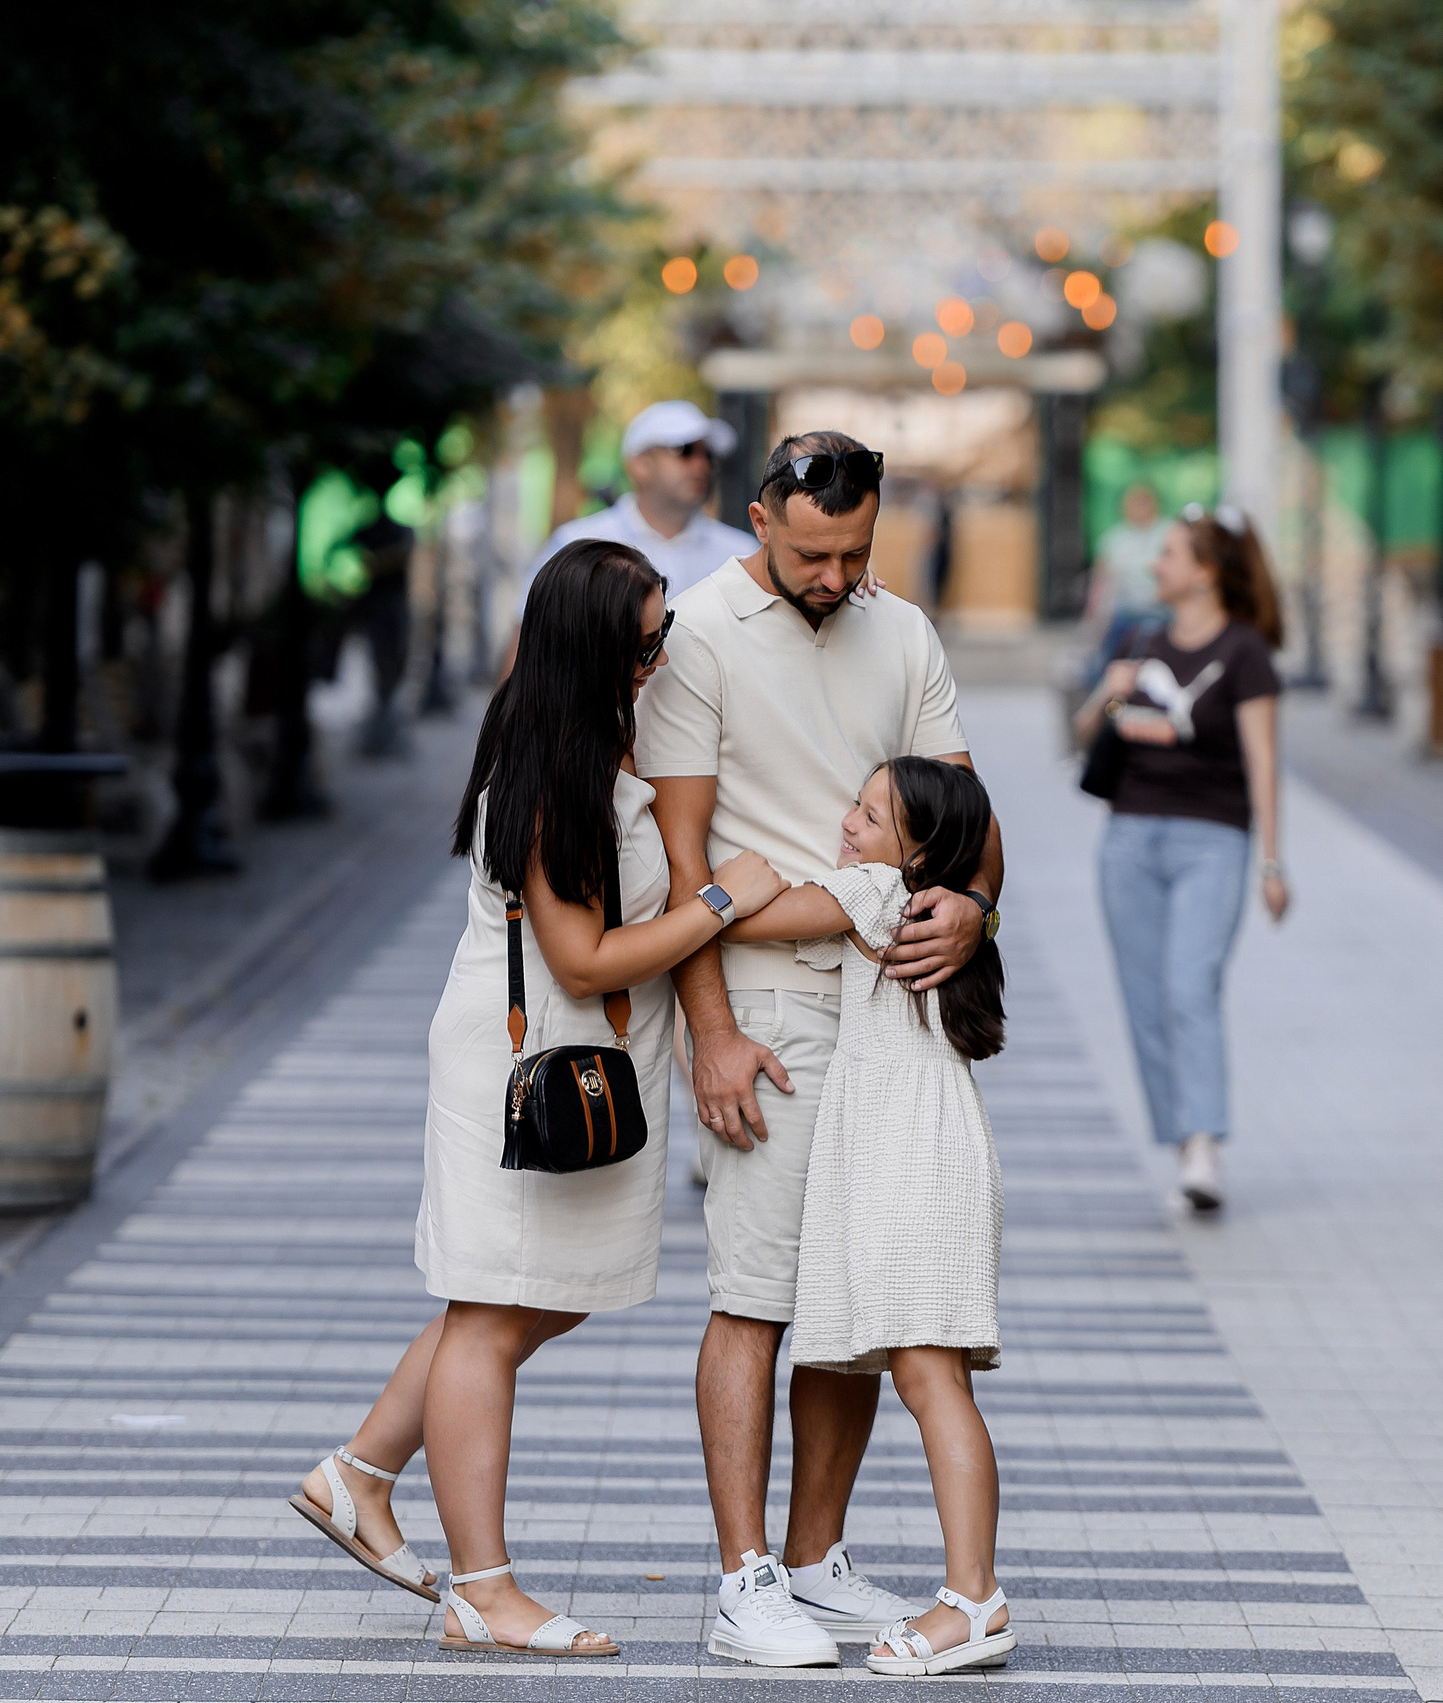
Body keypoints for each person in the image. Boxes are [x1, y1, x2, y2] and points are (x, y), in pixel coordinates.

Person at [287, 539, 786, 1659]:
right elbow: (583, 960)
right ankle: (482, 1587)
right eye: (644, 637)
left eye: (664, 632)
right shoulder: (551, 766)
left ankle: (358, 1471)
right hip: (522, 1062)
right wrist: (720, 897)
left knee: (530, 1299)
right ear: (592, 645)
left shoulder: (593, 733)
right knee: (493, 1308)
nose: (661, 654)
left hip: (574, 1056)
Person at [639, 430, 1004, 1667]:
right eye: (811, 551)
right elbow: (687, 864)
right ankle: (744, 1578)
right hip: (769, 1007)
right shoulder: (696, 634)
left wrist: (976, 905)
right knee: (757, 1292)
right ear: (758, 518)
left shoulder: (898, 628)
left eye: (855, 550)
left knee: (850, 1298)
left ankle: (812, 1558)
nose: (835, 573)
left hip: (887, 1006)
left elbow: (969, 815)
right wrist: (714, 1032)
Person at [724, 756, 1014, 1677]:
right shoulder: (923, 904)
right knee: (936, 1380)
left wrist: (734, 884)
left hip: (910, 1165)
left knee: (933, 1383)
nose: (848, 820)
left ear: (916, 851)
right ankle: (971, 1594)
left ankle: (973, 1600)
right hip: (927, 1154)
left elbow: (760, 917)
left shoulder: (878, 891)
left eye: (870, 812)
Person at [1073, 503, 1290, 1214]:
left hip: (1213, 839)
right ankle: (1180, 1138)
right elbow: (1083, 733)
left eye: (1168, 554)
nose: (1155, 565)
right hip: (1129, 838)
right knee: (1145, 999)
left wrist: (1273, 863)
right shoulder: (1141, 637)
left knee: (1188, 985)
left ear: (1205, 570)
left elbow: (1264, 762)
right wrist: (1107, 696)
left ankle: (1203, 1144)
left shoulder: (1245, 650)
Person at [528, 400, 757, 603]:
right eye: (684, 450)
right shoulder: (577, 546)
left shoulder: (742, 556)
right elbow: (529, 639)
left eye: (707, 454)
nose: (701, 465)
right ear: (640, 464)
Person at [1079, 483, 1170, 688]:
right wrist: (1093, 616)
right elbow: (1101, 582)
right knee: (1108, 663)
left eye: (1144, 501)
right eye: (1134, 502)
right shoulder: (1114, 538)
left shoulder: (1167, 532)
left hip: (1163, 612)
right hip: (1126, 614)